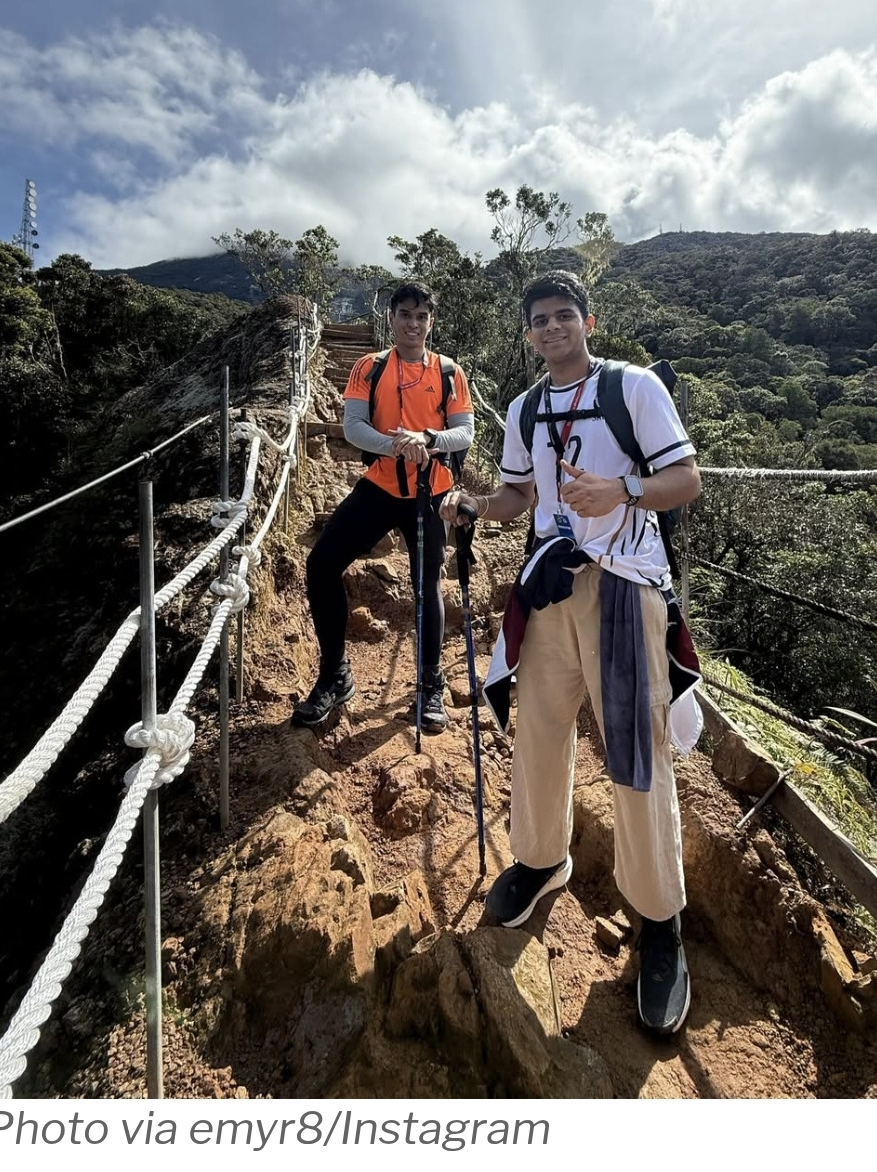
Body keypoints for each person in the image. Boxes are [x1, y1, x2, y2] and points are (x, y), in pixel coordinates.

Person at [440, 269, 701, 1034]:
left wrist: (622, 492)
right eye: (540, 320)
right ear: (528, 334)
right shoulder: (526, 408)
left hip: (624, 586)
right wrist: (475, 505)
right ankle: (540, 859)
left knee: (636, 751)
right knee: (540, 733)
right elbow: (520, 495)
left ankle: (660, 920)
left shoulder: (633, 388)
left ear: (589, 321)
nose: (553, 328)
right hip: (550, 584)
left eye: (565, 315)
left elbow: (685, 478)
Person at [294, 281, 474, 733]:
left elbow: (464, 431)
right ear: (391, 318)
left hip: (431, 492)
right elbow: (354, 427)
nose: (413, 324)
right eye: (405, 315)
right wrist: (396, 446)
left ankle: (430, 684)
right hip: (380, 487)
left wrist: (427, 439)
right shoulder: (368, 367)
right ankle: (335, 674)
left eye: (421, 316)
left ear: (431, 322)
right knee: (321, 563)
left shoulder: (449, 372)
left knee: (426, 584)